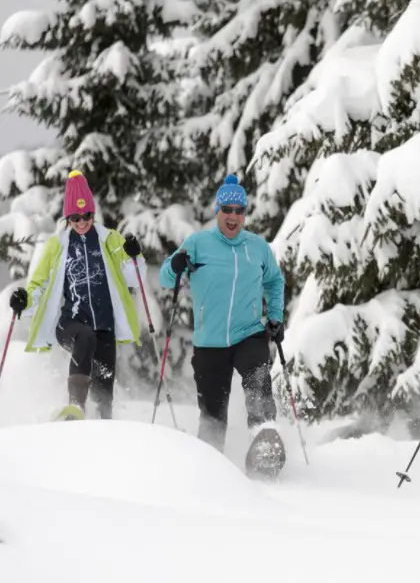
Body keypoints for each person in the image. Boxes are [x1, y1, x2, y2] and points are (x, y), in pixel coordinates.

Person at [159, 175, 286, 459]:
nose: (232, 216)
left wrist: (275, 316)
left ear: (244, 215)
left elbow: (275, 282)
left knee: (258, 377)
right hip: (210, 342)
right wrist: (175, 264)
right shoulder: (198, 243)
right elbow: (167, 277)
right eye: (227, 209)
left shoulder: (257, 248)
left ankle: (264, 438)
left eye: (239, 211)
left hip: (248, 333)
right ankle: (211, 465)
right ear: (217, 210)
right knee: (213, 416)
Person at [9, 170, 146, 420]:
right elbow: (38, 284)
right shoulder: (57, 246)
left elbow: (134, 278)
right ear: (67, 218)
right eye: (74, 217)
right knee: (84, 338)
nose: (81, 222)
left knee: (104, 394)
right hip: (71, 323)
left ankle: (102, 434)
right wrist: (25, 301)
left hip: (104, 326)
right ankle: (75, 409)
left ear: (93, 213)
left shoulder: (110, 240)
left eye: (86, 216)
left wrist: (134, 256)